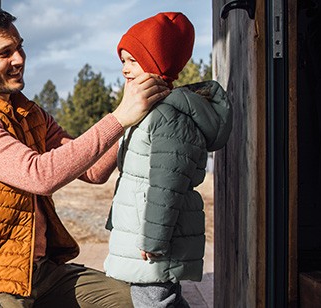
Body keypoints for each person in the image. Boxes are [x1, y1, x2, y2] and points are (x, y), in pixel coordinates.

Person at [0, 5, 171, 308]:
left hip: (40, 273)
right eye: (4, 53)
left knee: (134, 301)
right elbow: (40, 175)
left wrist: (137, 104)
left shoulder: (30, 113)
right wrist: (119, 117)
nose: (18, 59)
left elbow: (94, 170)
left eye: (19, 48)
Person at [103, 12, 233, 307]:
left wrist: (155, 240)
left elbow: (168, 185)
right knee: (158, 299)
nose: (124, 69)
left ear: (156, 63)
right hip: (141, 231)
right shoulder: (148, 111)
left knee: (153, 300)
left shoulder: (167, 116)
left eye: (133, 61)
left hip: (151, 237)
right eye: (122, 60)